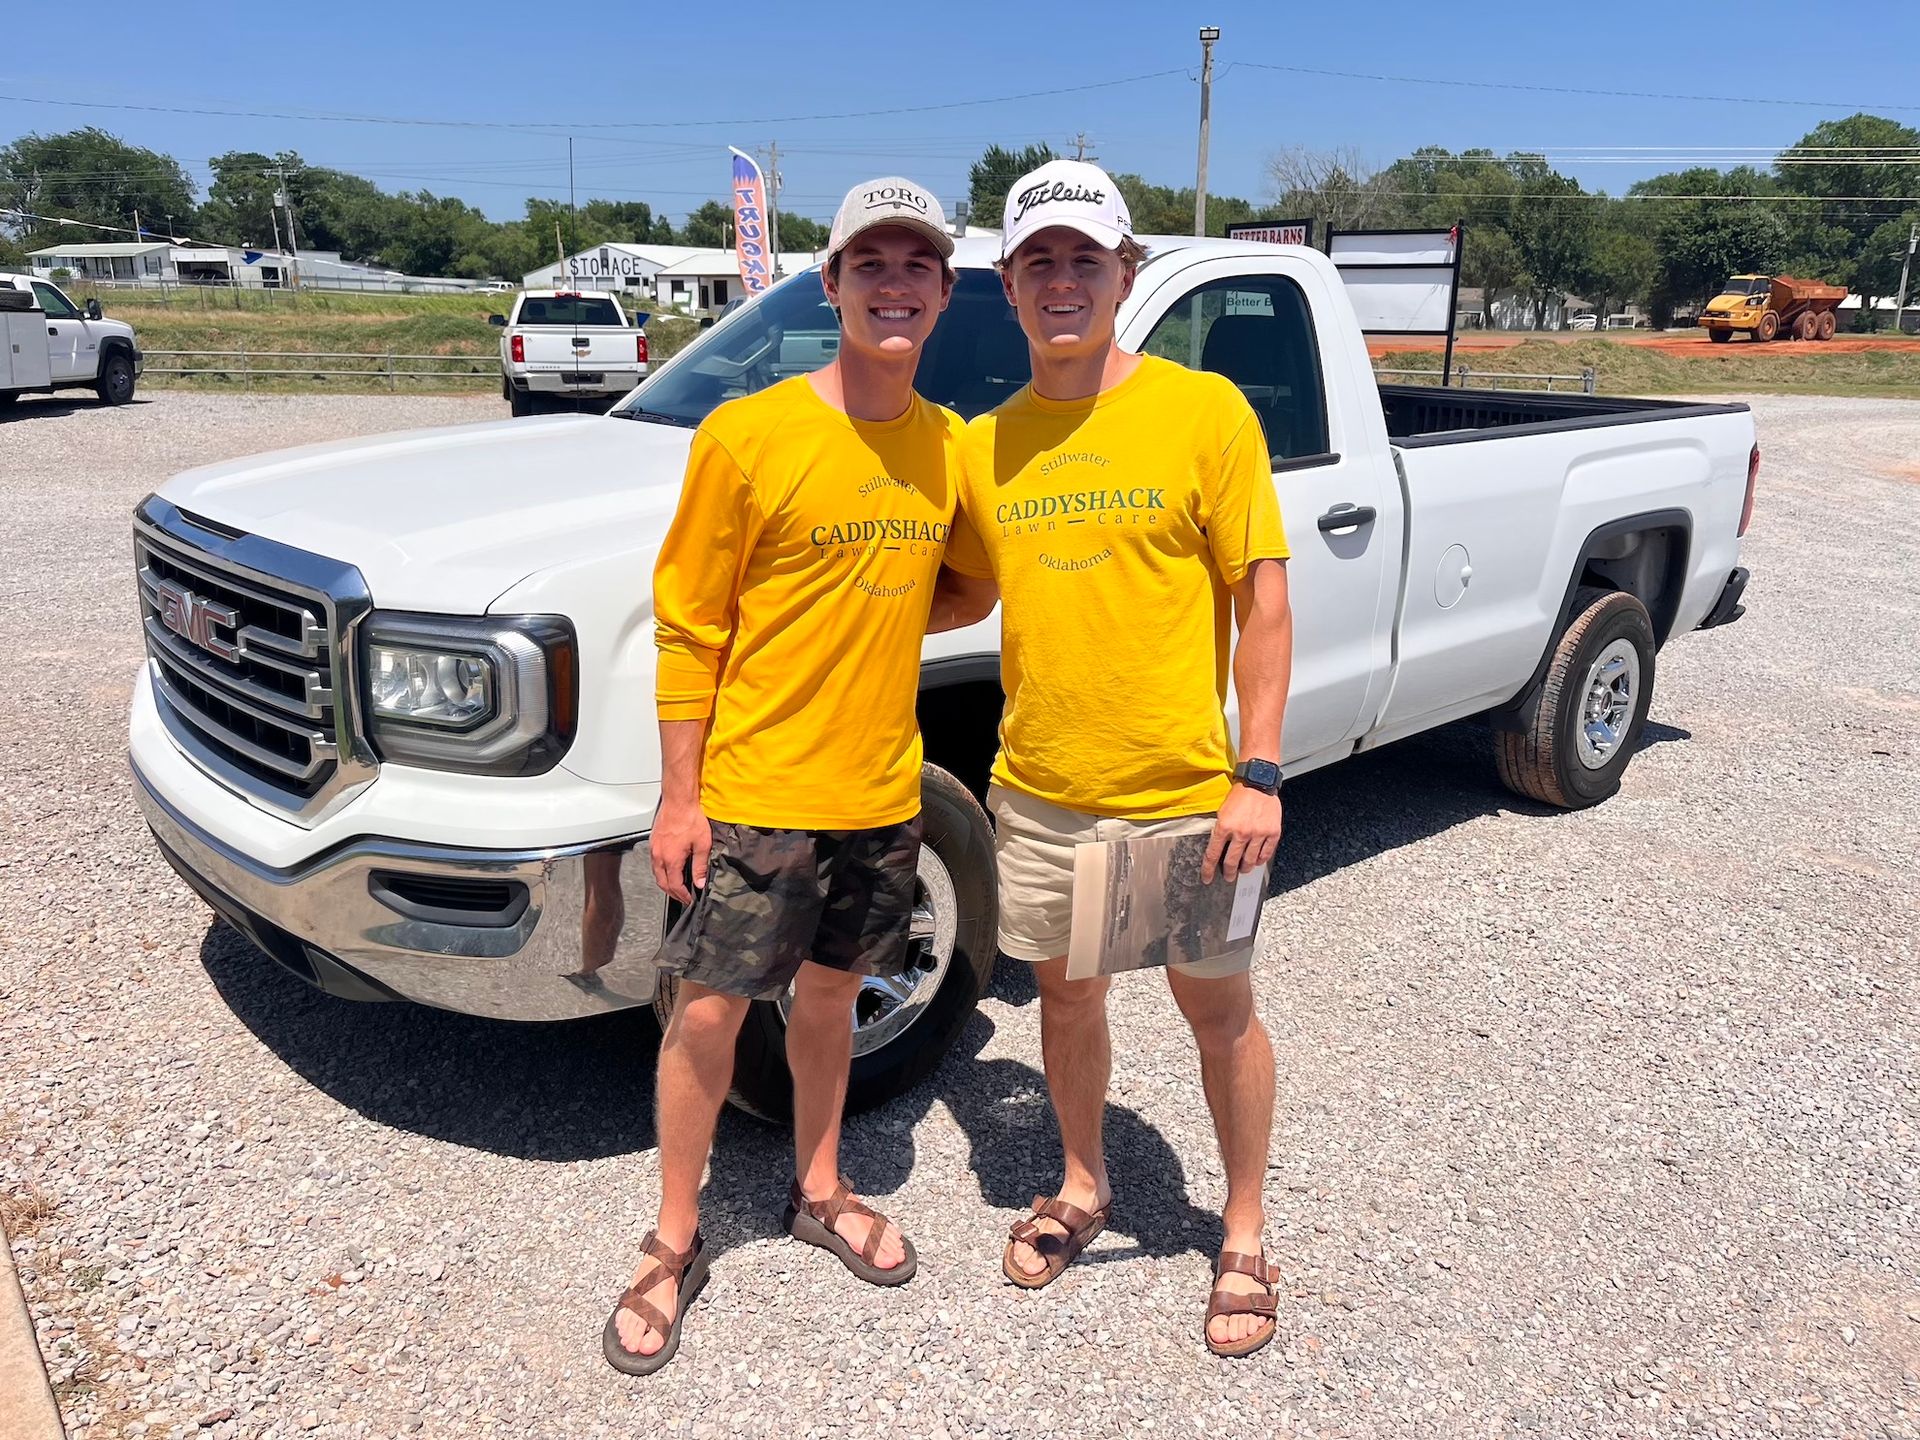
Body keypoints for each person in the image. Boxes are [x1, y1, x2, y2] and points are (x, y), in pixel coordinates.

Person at [603, 177, 967, 1376]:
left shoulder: (947, 444)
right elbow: (689, 624)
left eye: (918, 264)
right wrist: (680, 793)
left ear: (945, 291)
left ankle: (818, 1189)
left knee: (827, 1003)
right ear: (833, 286)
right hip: (757, 795)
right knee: (705, 1014)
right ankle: (670, 1240)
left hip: (880, 793)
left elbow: (969, 581)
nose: (896, 284)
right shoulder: (749, 435)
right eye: (873, 264)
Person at [935, 160, 1295, 1359]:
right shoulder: (988, 448)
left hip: (1190, 794)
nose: (1063, 280)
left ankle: (1239, 1229)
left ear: (1124, 273)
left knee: (1218, 1012)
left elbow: (1266, 603)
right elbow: (953, 590)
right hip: (1040, 794)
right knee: (1066, 996)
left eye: (1086, 258)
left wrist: (1261, 770)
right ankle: (1085, 1184)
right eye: (1040, 261)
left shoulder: (1205, 413)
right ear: (1010, 284)